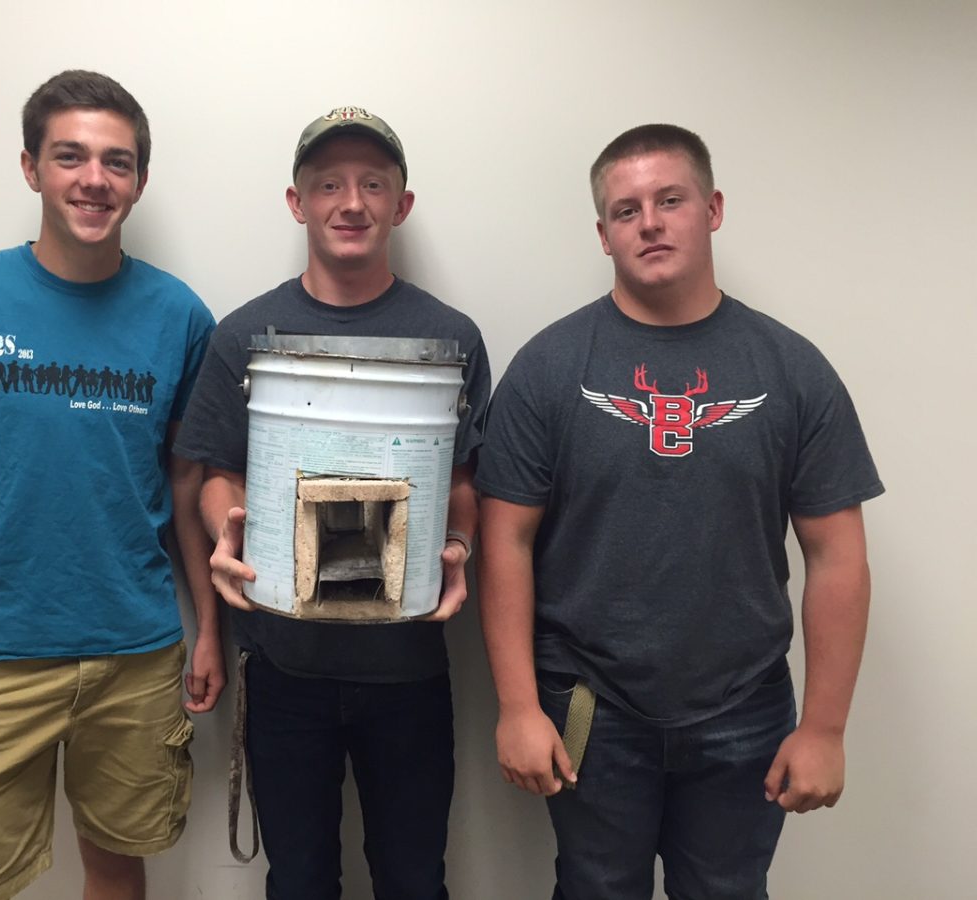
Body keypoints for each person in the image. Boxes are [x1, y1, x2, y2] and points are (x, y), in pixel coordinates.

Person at [476, 123, 884, 899]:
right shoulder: (549, 368)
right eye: (626, 211)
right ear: (603, 235)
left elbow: (837, 556)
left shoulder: (792, 370)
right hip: (589, 705)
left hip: (745, 705)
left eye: (671, 200)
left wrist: (825, 728)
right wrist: (519, 706)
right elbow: (505, 544)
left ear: (713, 209)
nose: (650, 223)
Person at [0, 70, 223, 900]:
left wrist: (211, 627)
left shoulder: (180, 317)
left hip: (135, 653)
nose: (94, 179)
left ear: (139, 180)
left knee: (118, 862)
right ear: (31, 168)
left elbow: (185, 487)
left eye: (116, 162)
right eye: (70, 156)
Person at [174, 106, 491, 900]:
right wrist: (225, 534)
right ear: (298, 202)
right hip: (284, 668)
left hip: (409, 668)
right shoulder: (244, 334)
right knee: (300, 881)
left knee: (414, 881)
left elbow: (463, 477)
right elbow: (218, 474)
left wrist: (458, 547)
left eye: (372, 184)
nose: (351, 202)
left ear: (401, 205)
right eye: (329, 185)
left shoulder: (451, 336)